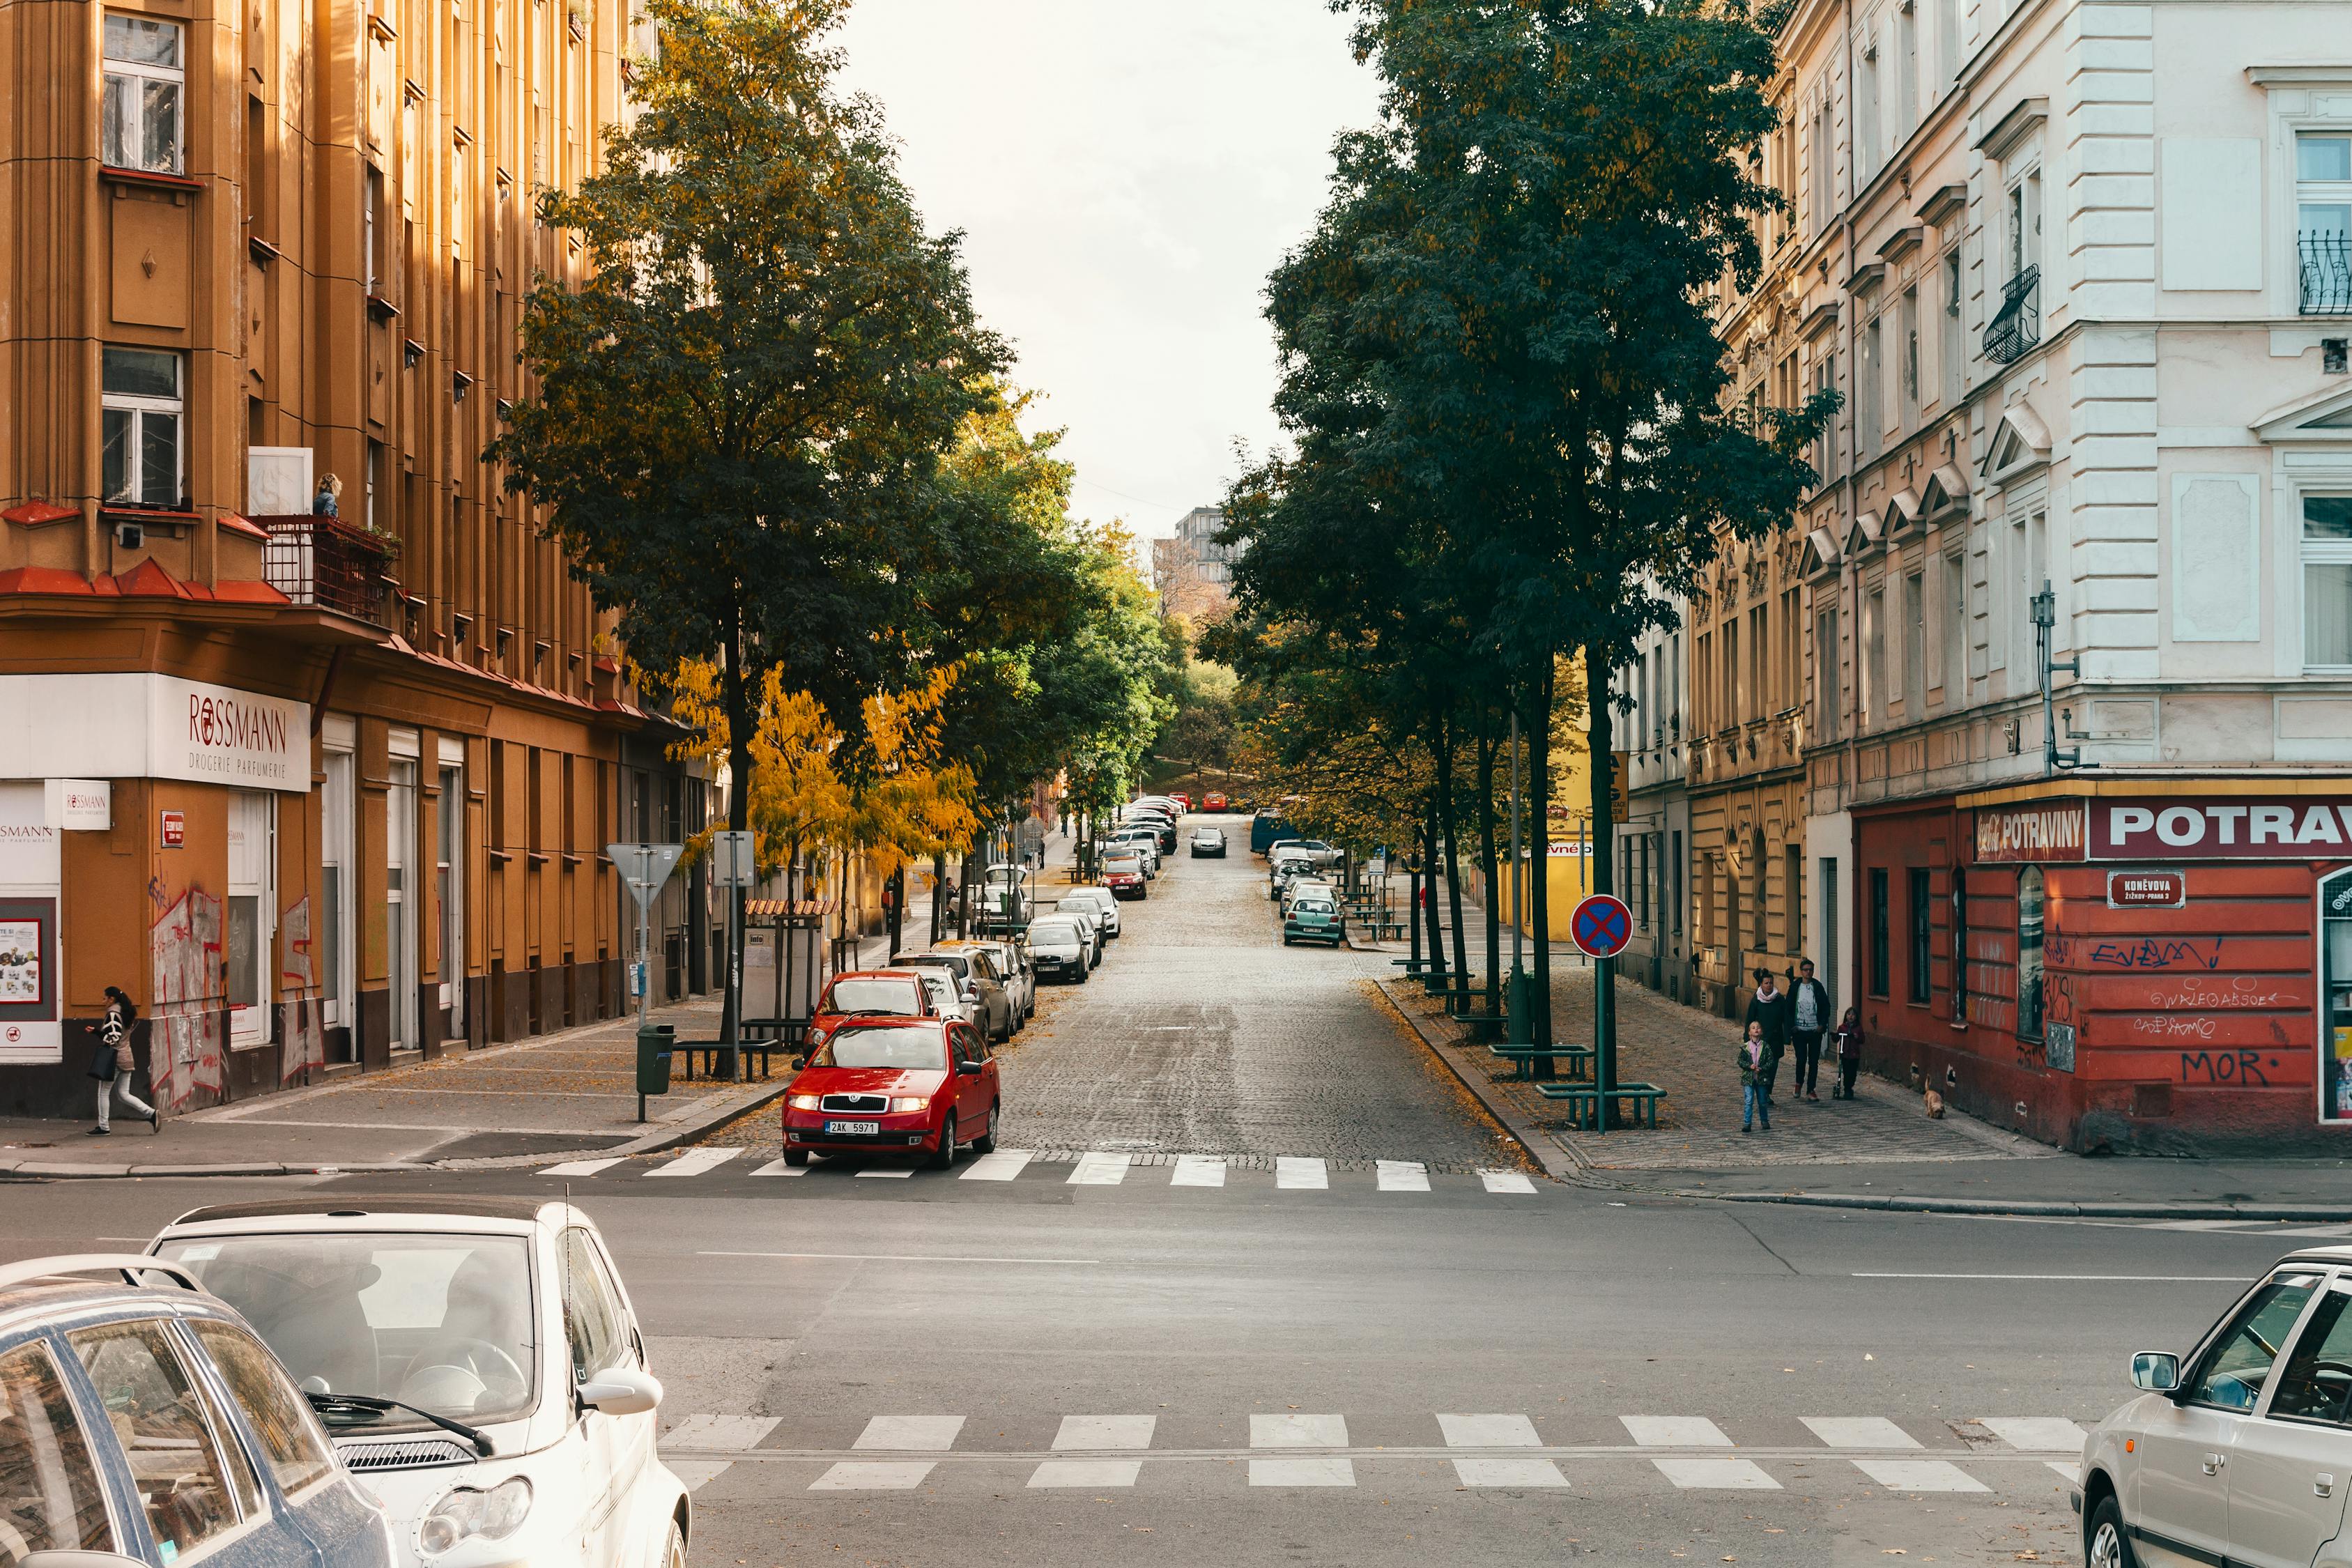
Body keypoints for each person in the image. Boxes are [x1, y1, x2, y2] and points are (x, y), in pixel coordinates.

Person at [88, 986, 160, 1136]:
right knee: (123, 1094)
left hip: (115, 1059)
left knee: (103, 1092)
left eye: (104, 998)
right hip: (127, 1057)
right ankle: (151, 1114)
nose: (103, 1002)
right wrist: (97, 1031)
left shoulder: (113, 1014)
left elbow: (113, 1038)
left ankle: (103, 1127)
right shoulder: (126, 1012)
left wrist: (96, 1033)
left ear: (112, 999)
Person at [1742, 967, 1790, 1105]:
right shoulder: (1756, 1000)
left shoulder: (1779, 999)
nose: (1769, 985)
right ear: (1761, 985)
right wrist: (1748, 1038)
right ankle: (1762, 1094)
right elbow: (1749, 1020)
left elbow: (1786, 1019)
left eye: (1771, 983)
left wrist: (1787, 1037)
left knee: (1772, 1069)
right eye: (1766, 983)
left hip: (1775, 1040)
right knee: (1761, 1069)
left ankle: (1767, 1092)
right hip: (1760, 1041)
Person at [1789, 958, 1832, 1103]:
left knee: (1814, 1061)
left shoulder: (1818, 986)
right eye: (1806, 970)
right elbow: (1788, 1008)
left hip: (1815, 1030)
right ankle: (1798, 1083)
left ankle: (1811, 1089)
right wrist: (1791, 1027)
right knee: (1801, 1059)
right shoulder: (1795, 987)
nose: (1808, 972)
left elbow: (1826, 1007)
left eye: (1811, 970)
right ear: (1801, 971)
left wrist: (1822, 1025)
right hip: (1799, 1030)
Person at [1737, 1020, 1772, 1132]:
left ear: (1761, 1031)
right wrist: (1750, 1066)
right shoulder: (1745, 1047)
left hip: (1761, 1078)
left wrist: (1762, 1068)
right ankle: (1747, 1123)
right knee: (1749, 1101)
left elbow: (1770, 1061)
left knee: (1762, 1101)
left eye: (1758, 1027)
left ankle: (1764, 1120)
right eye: (1753, 1027)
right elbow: (1740, 1061)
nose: (1756, 1029)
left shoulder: (1765, 1047)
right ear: (1749, 1032)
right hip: (1749, 1078)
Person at [1829, 1007, 1866, 1099]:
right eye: (1849, 1014)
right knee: (1846, 1072)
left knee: (1853, 1073)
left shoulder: (1858, 1028)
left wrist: (1857, 1037)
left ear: (1856, 1017)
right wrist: (1834, 1036)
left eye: (1853, 1015)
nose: (1851, 1016)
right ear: (1846, 1016)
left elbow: (1862, 1040)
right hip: (1845, 1054)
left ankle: (1850, 1087)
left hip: (1854, 1055)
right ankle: (1847, 1089)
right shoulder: (1842, 1028)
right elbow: (1837, 1039)